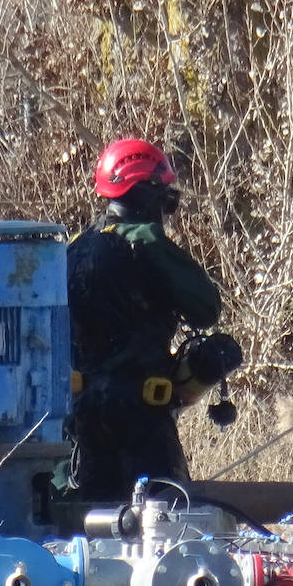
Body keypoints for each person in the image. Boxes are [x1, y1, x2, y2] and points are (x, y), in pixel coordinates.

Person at [65, 138, 223, 498]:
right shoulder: (146, 241)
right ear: (141, 192)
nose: (167, 199)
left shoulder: (74, 246)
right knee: (165, 522)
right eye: (160, 189)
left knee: (86, 527)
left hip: (80, 420)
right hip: (140, 420)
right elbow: (207, 308)